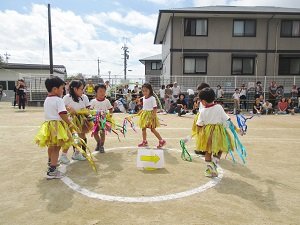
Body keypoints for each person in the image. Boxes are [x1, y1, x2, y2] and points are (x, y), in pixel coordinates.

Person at [196, 87, 243, 177]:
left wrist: (199, 135)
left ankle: (210, 169)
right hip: (219, 134)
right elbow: (227, 120)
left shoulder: (202, 111)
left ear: (204, 101)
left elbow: (199, 125)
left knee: (208, 152)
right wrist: (236, 129)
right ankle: (214, 163)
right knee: (220, 150)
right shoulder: (219, 107)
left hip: (207, 134)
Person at [34, 76, 74, 179]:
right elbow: (62, 114)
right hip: (57, 126)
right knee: (56, 148)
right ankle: (52, 170)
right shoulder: (58, 100)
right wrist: (70, 123)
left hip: (48, 125)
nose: (63, 90)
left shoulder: (47, 99)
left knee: (51, 146)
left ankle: (51, 162)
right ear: (55, 89)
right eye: (62, 88)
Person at [59, 80, 92, 164]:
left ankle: (77, 153)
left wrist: (87, 114)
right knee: (70, 137)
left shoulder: (84, 97)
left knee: (81, 135)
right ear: (75, 89)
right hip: (70, 119)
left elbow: (88, 108)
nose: (82, 91)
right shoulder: (66, 97)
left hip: (82, 119)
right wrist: (68, 108)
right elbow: (62, 107)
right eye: (81, 89)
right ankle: (63, 155)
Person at [137, 83, 166, 148]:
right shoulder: (143, 98)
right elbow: (145, 107)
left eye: (146, 90)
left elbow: (155, 108)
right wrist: (141, 111)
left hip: (151, 115)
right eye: (143, 91)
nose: (144, 92)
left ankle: (161, 141)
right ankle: (144, 141)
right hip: (144, 115)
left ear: (150, 90)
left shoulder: (152, 98)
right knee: (143, 128)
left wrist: (153, 117)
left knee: (152, 129)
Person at [90, 84, 114, 153]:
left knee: (102, 132)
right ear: (96, 92)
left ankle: (101, 146)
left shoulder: (107, 101)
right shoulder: (93, 101)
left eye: (104, 91)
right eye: (100, 91)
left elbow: (110, 109)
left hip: (103, 120)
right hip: (95, 120)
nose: (102, 93)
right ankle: (98, 142)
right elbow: (90, 110)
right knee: (95, 132)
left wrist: (110, 116)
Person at [192, 82, 210, 155]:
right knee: (201, 134)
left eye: (199, 91)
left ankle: (204, 150)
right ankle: (202, 149)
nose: (198, 92)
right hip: (201, 117)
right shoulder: (201, 99)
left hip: (204, 119)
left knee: (204, 134)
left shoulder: (206, 100)